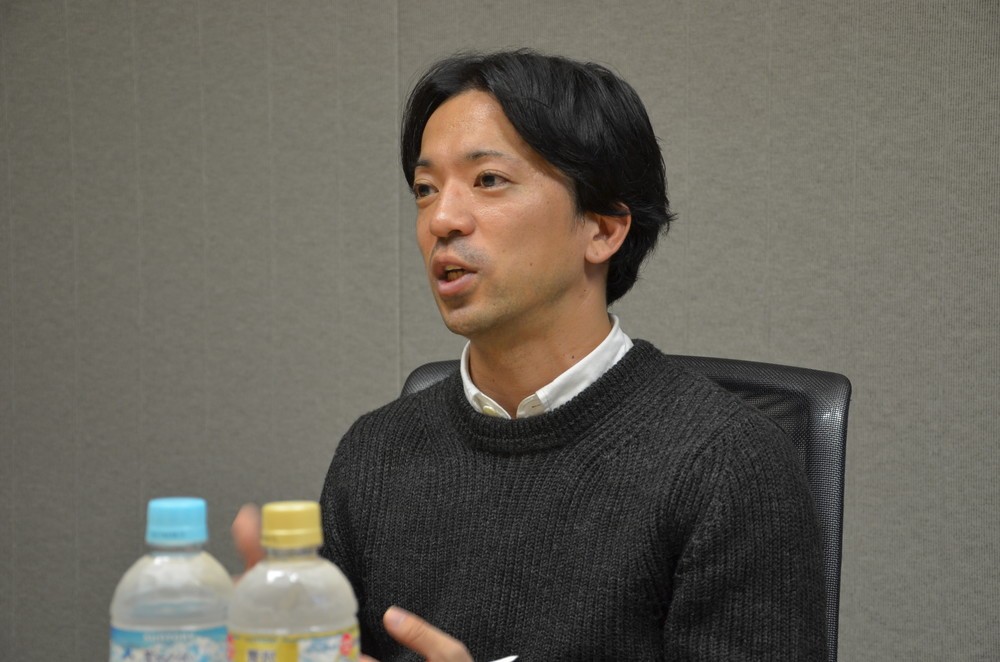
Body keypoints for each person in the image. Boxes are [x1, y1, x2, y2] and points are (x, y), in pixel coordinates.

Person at [234, 49, 827, 661]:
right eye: (425, 189)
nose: (441, 219)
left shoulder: (728, 464)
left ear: (602, 228)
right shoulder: (375, 455)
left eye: (488, 180)